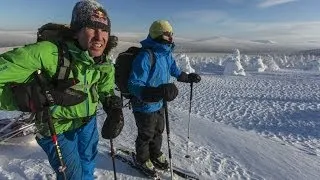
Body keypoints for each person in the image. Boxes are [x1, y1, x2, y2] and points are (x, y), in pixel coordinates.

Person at [0, 0, 122, 179]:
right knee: (73, 176)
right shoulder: (48, 53)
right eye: (91, 27)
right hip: (56, 126)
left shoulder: (103, 62)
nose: (99, 36)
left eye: (104, 30)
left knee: (88, 161)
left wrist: (112, 105)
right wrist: (33, 97)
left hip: (87, 122)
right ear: (77, 30)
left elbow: (105, 88)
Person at [127, 20, 201, 176]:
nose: (171, 37)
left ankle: (155, 154)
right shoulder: (146, 55)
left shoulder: (166, 53)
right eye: (168, 34)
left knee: (159, 131)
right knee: (146, 133)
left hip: (160, 102)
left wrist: (188, 78)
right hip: (144, 104)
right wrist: (155, 92)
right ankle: (142, 159)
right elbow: (134, 84)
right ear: (158, 34)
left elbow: (175, 71)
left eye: (171, 33)